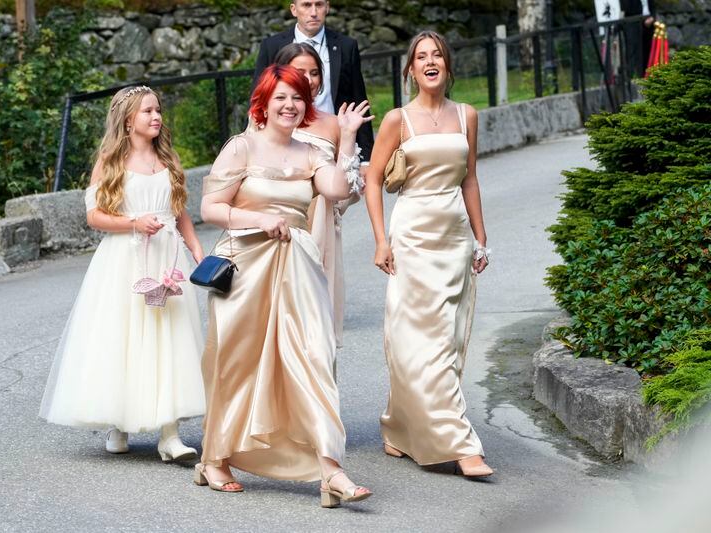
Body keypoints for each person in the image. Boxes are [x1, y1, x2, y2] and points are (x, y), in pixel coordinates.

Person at [196, 65, 374, 507]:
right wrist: (259, 218)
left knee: (313, 358)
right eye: (281, 97)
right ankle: (214, 458)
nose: (290, 105)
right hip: (245, 268)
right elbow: (210, 208)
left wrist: (348, 137)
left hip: (297, 266)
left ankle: (330, 470)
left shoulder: (312, 151)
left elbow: (335, 189)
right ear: (264, 103)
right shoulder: (241, 148)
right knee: (237, 363)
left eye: (297, 97)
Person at [39, 86, 206, 463]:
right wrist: (133, 221)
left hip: (166, 256)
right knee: (123, 338)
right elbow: (95, 216)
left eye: (158, 110)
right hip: (125, 257)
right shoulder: (111, 160)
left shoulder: (168, 159)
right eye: (147, 111)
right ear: (128, 120)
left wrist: (194, 246)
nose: (156, 116)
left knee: (170, 338)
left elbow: (179, 211)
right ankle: (119, 421)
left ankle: (170, 433)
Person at [364, 31, 494, 477]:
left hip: (454, 236)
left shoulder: (467, 115)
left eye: (437, 53)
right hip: (412, 237)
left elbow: (469, 178)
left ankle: (399, 426)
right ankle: (461, 445)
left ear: (447, 64)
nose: (430, 61)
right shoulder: (397, 120)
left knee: (447, 339)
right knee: (416, 339)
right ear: (411, 70)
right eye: (421, 56)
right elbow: (372, 179)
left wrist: (481, 237)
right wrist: (381, 239)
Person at [273, 42, 363, 348]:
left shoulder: (332, 124)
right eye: (300, 72)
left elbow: (348, 182)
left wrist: (337, 204)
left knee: (316, 308)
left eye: (315, 73)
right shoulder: (262, 120)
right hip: (277, 220)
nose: (309, 79)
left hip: (319, 223)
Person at [253, 0, 374, 160]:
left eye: (319, 5)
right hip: (284, 141)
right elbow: (259, 95)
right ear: (294, 9)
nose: (314, 12)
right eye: (306, 5)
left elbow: (358, 98)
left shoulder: (346, 46)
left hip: (332, 140)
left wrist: (366, 159)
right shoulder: (272, 46)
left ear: (327, 7)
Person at [621, 0, 657, 76]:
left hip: (648, 24)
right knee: (632, 50)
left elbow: (653, 7)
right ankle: (632, 75)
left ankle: (647, 74)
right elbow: (627, 8)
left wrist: (652, 18)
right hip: (634, 23)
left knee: (648, 49)